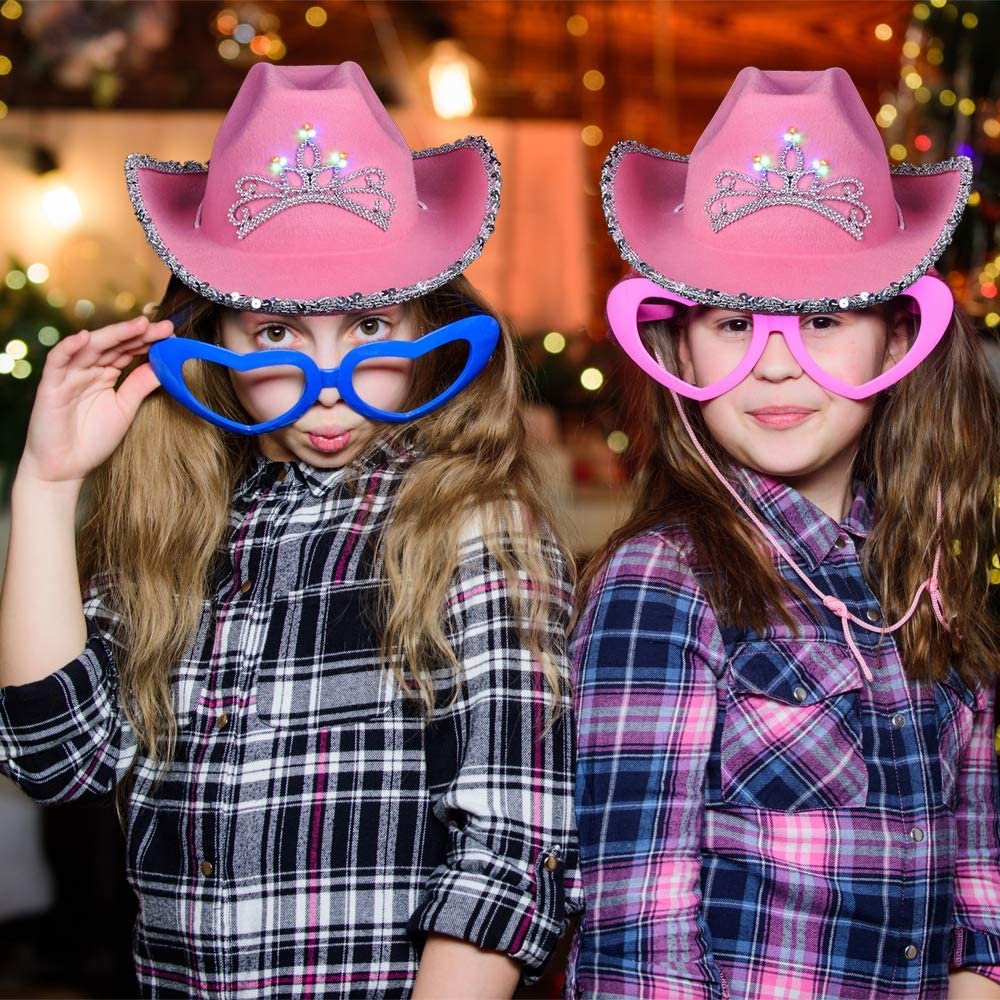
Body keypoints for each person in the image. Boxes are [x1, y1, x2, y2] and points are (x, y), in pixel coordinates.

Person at [0, 61, 580, 999]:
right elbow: (56, 759)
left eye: (369, 327)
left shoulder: (475, 530)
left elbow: (508, 854)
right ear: (213, 339)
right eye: (277, 334)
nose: (329, 383)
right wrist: (47, 483)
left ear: (431, 328)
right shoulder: (183, 533)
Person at [570, 67, 1000, 999]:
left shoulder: (924, 576)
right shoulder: (662, 584)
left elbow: (978, 883)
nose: (775, 365)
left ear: (895, 341)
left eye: (820, 319)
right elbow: (635, 934)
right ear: (677, 347)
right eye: (734, 322)